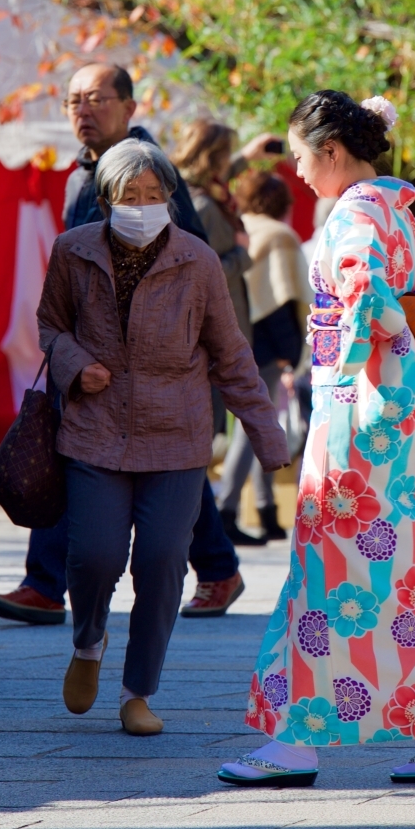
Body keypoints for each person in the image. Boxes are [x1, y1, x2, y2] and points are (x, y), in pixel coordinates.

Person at [220, 91, 415, 788]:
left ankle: (294, 742)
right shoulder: (400, 213)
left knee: (325, 571)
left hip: (354, 412)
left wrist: (381, 334)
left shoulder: (352, 214)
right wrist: (408, 347)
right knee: (399, 571)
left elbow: (364, 290)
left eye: (304, 157)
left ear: (333, 152)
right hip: (393, 420)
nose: (300, 172)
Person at [0, 63, 251, 625]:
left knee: (166, 467)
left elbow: (191, 264)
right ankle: (49, 584)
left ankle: (209, 568)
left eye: (97, 99)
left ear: (130, 107)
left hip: (151, 365)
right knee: (74, 453)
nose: (84, 110)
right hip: (84, 362)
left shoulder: (151, 175)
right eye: (74, 100)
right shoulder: (81, 178)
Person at [40, 137, 286, 737]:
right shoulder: (72, 251)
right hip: (96, 431)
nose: (143, 204)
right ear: (105, 201)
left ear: (171, 200)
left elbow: (230, 355)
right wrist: (76, 364)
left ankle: (136, 693)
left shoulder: (197, 260)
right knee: (94, 554)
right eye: (130, 194)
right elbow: (51, 326)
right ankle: (89, 643)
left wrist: (268, 438)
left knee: (162, 562)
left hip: (176, 435)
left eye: (155, 194)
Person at [172, 120, 261, 547]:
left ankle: (201, 529)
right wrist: (244, 255)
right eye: (229, 154)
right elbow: (197, 274)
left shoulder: (196, 195)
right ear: (214, 157)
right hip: (208, 335)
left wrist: (251, 155)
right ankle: (200, 531)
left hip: (213, 332)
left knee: (208, 436)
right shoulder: (203, 205)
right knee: (201, 439)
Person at [218, 170, 309, 545]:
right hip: (265, 345)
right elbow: (279, 298)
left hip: (233, 336)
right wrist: (291, 353)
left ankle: (266, 509)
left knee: (257, 426)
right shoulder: (279, 235)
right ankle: (225, 509)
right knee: (254, 428)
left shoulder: (242, 228)